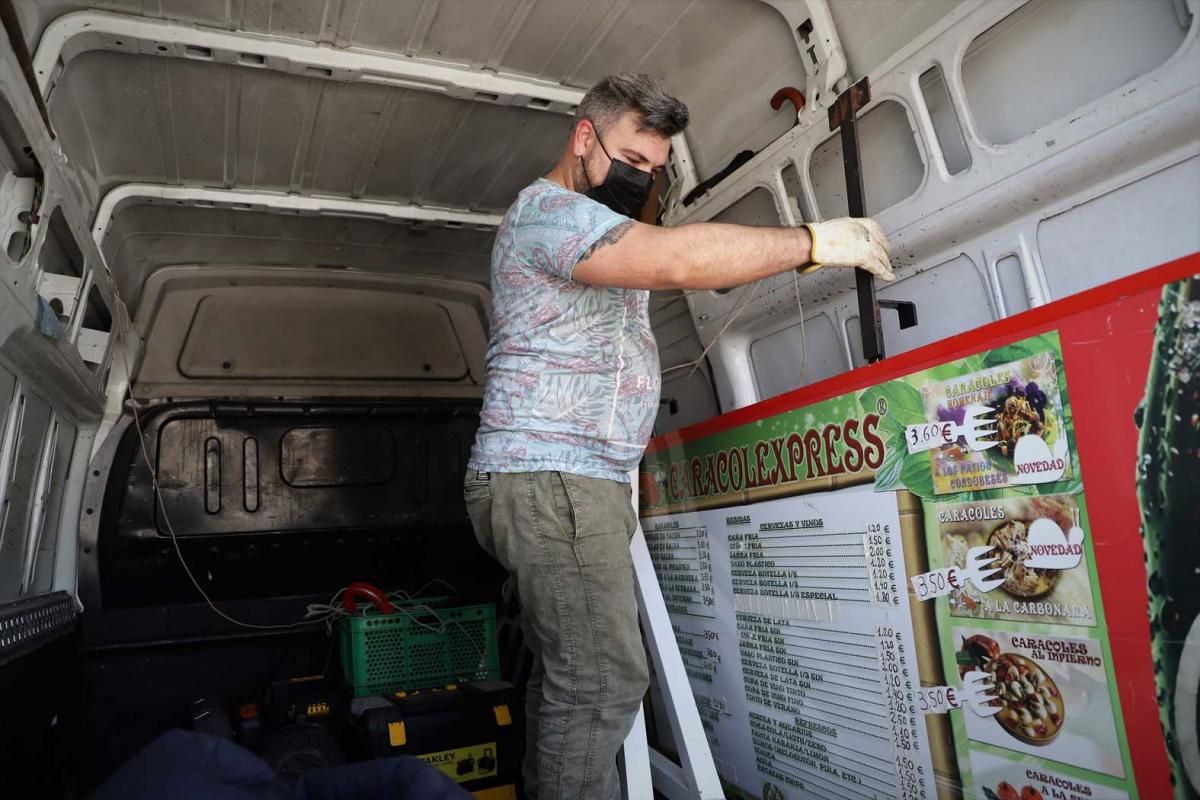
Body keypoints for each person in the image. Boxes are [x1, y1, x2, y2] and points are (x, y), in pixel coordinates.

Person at [463, 72, 894, 800]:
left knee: (575, 679)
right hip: (552, 478)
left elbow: (681, 255)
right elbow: (681, 261)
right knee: (604, 680)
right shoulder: (549, 215)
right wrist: (814, 241)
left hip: (570, 482)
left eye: (658, 171)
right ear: (583, 138)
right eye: (634, 161)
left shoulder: (599, 225)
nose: (645, 180)